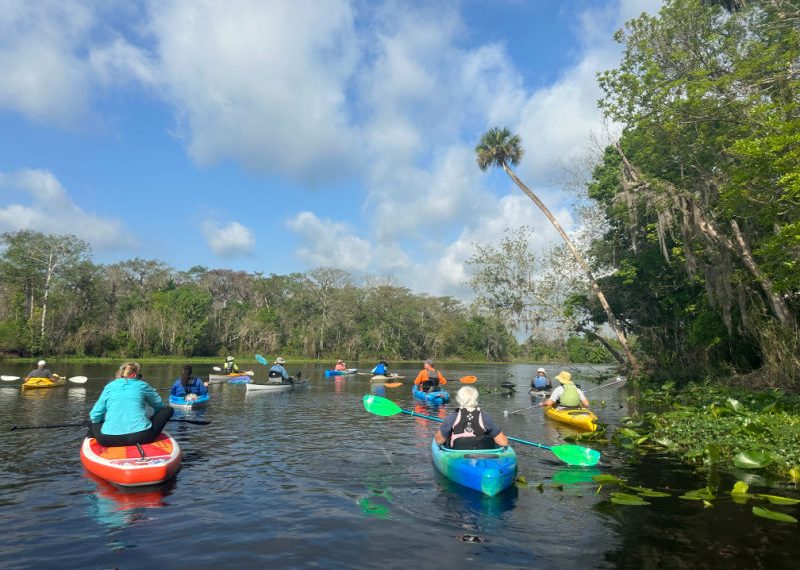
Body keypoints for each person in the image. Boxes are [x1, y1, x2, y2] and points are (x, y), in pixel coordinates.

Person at [88, 362, 174, 447]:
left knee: (93, 423)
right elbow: (160, 407)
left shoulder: (109, 387)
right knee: (168, 410)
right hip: (142, 436)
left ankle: (89, 436)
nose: (140, 379)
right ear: (134, 375)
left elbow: (95, 415)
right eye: (139, 376)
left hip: (107, 439)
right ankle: (146, 426)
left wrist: (103, 422)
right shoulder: (143, 385)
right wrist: (150, 419)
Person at [434, 386, 509, 450]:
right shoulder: (486, 417)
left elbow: (438, 440)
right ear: (476, 399)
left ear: (459, 399)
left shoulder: (451, 418)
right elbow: (504, 442)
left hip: (457, 456)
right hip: (481, 455)